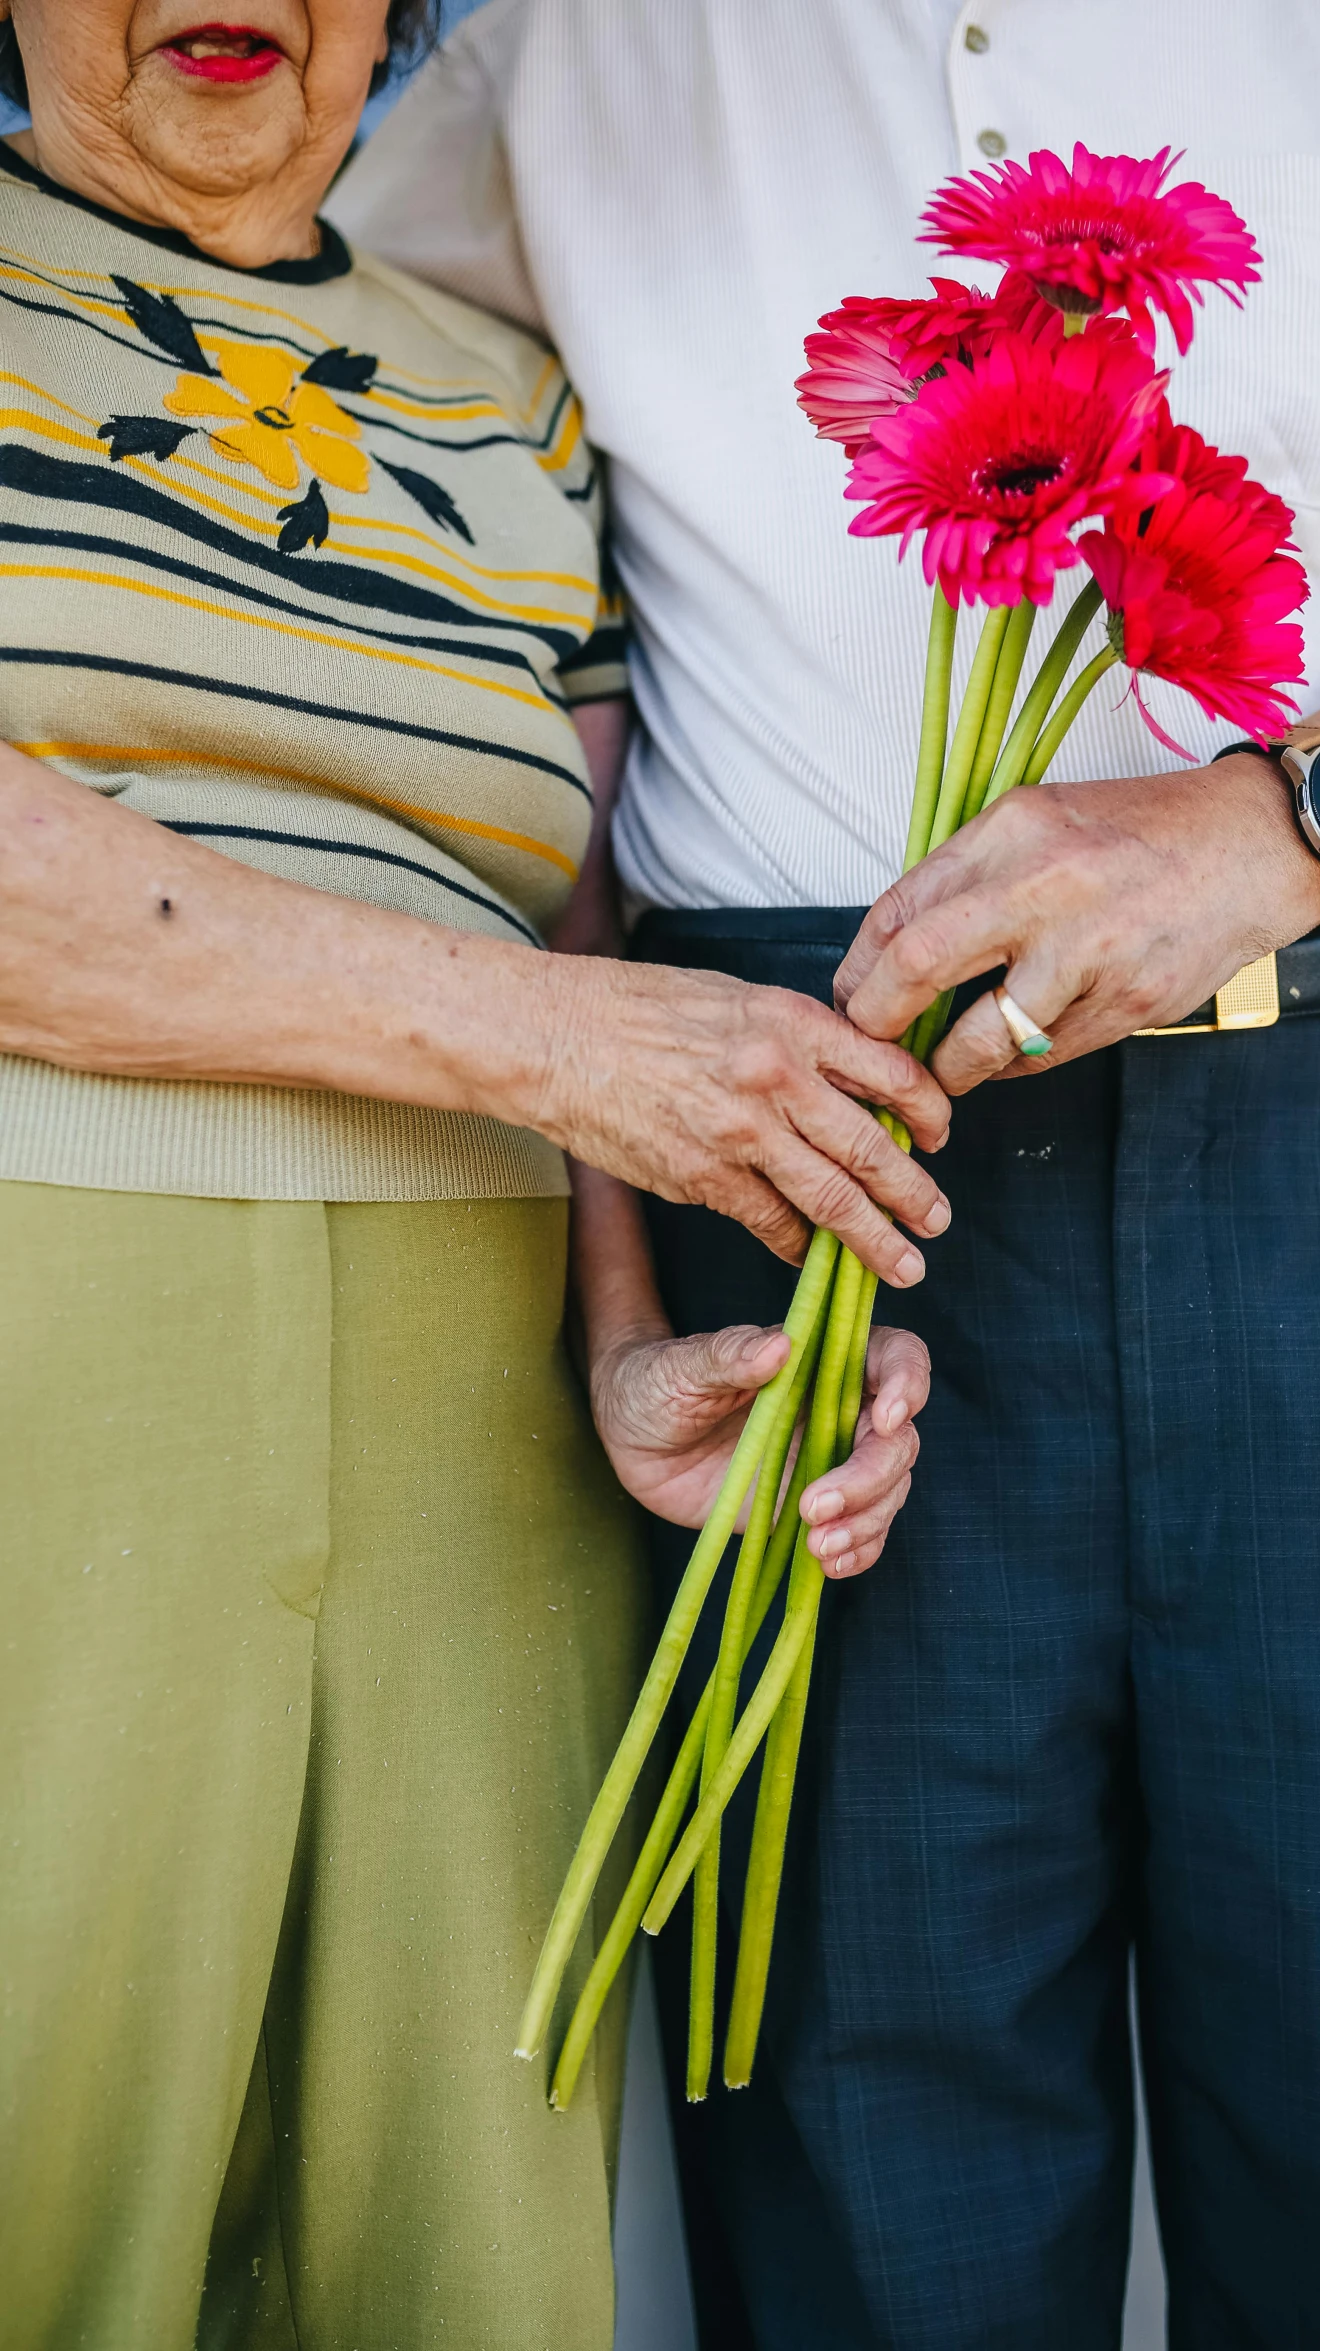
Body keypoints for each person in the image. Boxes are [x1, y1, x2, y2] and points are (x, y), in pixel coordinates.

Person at [335, 5, 1320, 2347]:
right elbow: (472, 665)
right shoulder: (544, 67)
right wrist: (617, 1253)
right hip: (807, 1206)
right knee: (868, 2209)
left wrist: (1277, 822)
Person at [0, 5, 952, 2347]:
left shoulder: (506, 399)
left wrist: (628, 1353)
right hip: (46, 1368)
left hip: (483, 1457)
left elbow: (572, 913)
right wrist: (550, 1038)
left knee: (453, 2257)